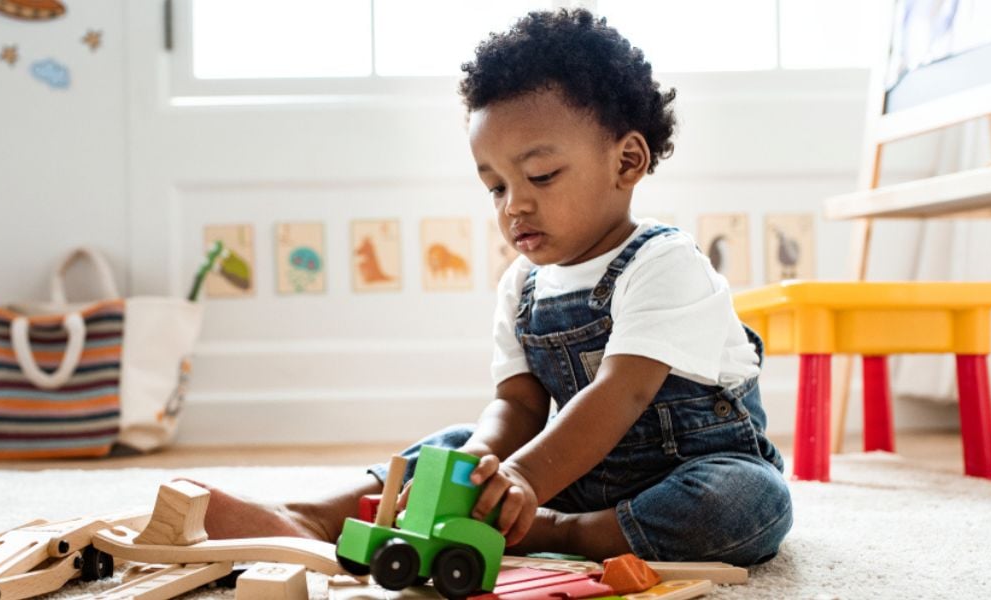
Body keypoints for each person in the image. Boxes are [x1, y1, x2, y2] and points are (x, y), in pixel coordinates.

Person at [191, 8, 792, 565]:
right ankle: (314, 518)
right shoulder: (522, 285)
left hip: (685, 470)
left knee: (746, 502)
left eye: (540, 175)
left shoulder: (665, 263)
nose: (515, 205)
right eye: (496, 187)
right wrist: (481, 462)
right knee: (452, 446)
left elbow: (621, 395)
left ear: (627, 162)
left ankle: (560, 534)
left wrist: (527, 480)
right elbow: (520, 405)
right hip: (570, 471)